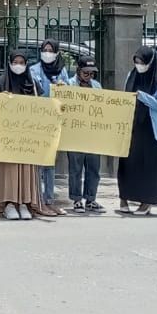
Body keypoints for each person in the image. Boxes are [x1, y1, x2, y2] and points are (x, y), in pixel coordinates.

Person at [117, 45, 157, 216]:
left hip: (151, 129)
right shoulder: (131, 75)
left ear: (150, 62)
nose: (139, 65)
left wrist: (145, 97)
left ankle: (146, 202)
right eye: (136, 62)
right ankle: (124, 197)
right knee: (128, 163)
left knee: (148, 166)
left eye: (142, 62)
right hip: (132, 125)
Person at [0, 49, 47, 220]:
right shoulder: (1, 82)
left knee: (26, 170)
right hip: (7, 139)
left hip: (27, 138)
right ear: (9, 64)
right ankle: (8, 203)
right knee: (10, 170)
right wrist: (2, 99)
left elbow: (42, 108)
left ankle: (24, 202)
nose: (18, 66)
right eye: (15, 62)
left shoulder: (33, 85)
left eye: (22, 63)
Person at [30, 38, 71, 213]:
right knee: (37, 163)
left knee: (50, 163)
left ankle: (49, 199)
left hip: (54, 122)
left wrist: (63, 87)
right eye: (44, 49)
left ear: (56, 52)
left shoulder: (61, 71)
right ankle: (37, 199)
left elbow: (69, 93)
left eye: (50, 50)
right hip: (38, 121)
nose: (47, 53)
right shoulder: (33, 70)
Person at [66, 56, 105, 213]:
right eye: (86, 73)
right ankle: (76, 200)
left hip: (93, 133)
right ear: (78, 71)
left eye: (92, 74)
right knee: (75, 168)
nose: (89, 77)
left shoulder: (96, 86)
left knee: (94, 168)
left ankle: (91, 199)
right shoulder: (68, 85)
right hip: (75, 133)